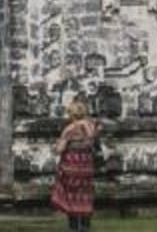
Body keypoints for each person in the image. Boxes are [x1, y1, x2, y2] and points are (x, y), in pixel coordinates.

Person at [52, 97, 98, 231]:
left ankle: (73, 228)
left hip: (71, 169)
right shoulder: (91, 127)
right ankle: (85, 227)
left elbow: (60, 149)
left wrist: (56, 145)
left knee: (72, 200)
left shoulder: (70, 129)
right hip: (87, 169)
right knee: (85, 198)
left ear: (72, 113)